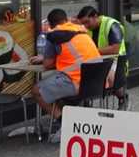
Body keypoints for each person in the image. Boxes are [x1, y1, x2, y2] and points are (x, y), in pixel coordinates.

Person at [31, 8, 101, 141]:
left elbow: (47, 64)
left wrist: (44, 58)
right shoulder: (81, 30)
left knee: (36, 90)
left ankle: (64, 124)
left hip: (77, 83)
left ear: (51, 25)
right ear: (66, 20)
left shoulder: (54, 35)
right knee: (56, 83)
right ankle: (75, 122)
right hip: (96, 82)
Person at [77, 6, 129, 111]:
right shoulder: (89, 29)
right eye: (83, 23)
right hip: (98, 59)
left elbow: (115, 48)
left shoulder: (111, 25)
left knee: (111, 79)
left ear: (95, 16)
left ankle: (123, 97)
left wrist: (92, 51)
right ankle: (85, 101)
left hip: (116, 59)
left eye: (87, 22)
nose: (85, 26)